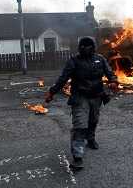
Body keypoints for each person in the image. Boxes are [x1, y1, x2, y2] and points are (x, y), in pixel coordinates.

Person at [45, 37, 118, 169]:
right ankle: (77, 156)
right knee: (79, 125)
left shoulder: (100, 59)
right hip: (80, 97)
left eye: (89, 45)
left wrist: (113, 81)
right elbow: (63, 78)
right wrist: (52, 92)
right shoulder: (74, 61)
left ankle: (90, 139)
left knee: (93, 121)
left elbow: (110, 72)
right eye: (83, 46)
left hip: (97, 96)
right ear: (80, 47)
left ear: (93, 46)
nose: (86, 48)